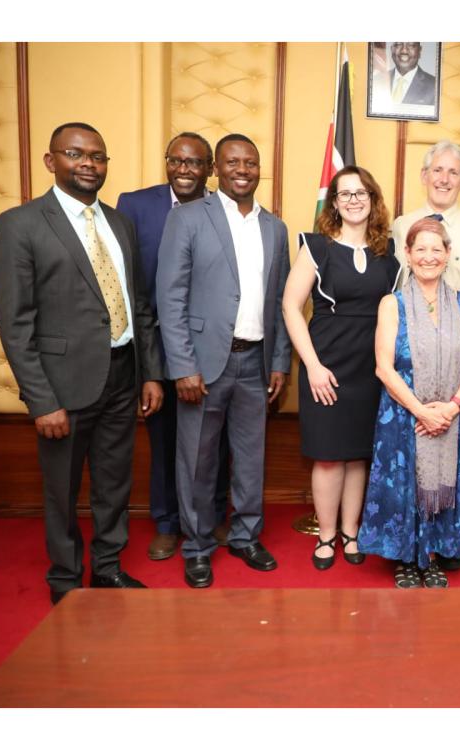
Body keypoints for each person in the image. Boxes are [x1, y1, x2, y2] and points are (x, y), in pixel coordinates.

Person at [0, 122, 164, 604]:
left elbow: (140, 306)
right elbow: (15, 322)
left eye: (98, 156)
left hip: (123, 374)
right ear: (51, 161)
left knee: (115, 483)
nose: (89, 164)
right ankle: (65, 581)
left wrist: (150, 373)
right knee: (62, 491)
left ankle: (107, 568)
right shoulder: (20, 224)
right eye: (76, 154)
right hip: (62, 386)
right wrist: (41, 400)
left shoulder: (120, 222)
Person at [157, 133, 291, 588]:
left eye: (250, 163)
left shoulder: (276, 227)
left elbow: (278, 301)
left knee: (252, 459)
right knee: (197, 460)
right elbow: (169, 297)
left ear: (259, 169)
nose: (242, 170)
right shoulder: (190, 218)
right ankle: (196, 547)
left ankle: (245, 536)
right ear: (216, 167)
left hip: (254, 363)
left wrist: (279, 361)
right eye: (232, 162)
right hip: (203, 365)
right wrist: (182, 367)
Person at [117, 132, 232, 561]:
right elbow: (130, 283)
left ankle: (213, 514)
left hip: (216, 344)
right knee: (164, 438)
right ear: (167, 163)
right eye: (176, 161)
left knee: (214, 440)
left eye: (195, 162)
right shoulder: (135, 205)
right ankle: (167, 522)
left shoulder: (225, 209)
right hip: (157, 344)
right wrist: (147, 365)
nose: (185, 170)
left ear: (210, 170)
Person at [282, 166, 400, 571]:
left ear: (373, 199)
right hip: (326, 365)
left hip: (372, 369)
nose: (353, 199)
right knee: (330, 456)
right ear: (333, 202)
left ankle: (352, 532)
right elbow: (290, 308)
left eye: (361, 192)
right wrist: (312, 365)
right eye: (344, 193)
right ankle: (327, 536)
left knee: (358, 455)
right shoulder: (315, 247)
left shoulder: (390, 255)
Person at [358, 219, 460, 588]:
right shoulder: (391, 304)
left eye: (437, 249)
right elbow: (383, 367)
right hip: (403, 414)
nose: (429, 256)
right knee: (405, 485)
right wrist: (421, 411)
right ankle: (406, 557)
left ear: (448, 255)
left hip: (452, 416)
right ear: (408, 255)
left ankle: (432, 553)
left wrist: (453, 406)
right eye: (421, 249)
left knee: (444, 484)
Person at [393, 140, 460, 294]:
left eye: (453, 172)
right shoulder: (401, 226)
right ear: (424, 176)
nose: (444, 179)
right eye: (437, 170)